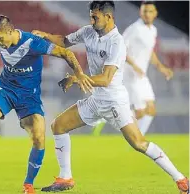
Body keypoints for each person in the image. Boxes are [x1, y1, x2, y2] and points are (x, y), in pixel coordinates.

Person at [32, 1, 189, 193]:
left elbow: (106, 79)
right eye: (91, 15)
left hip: (114, 101)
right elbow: (65, 41)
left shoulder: (117, 42)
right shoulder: (88, 31)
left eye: (95, 17)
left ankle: (181, 179)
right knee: (58, 125)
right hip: (95, 100)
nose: (92, 20)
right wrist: (45, 36)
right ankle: (66, 178)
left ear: (108, 17)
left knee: (139, 143)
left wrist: (77, 78)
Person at [0, 15, 93, 194]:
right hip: (6, 89)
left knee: (39, 138)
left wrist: (79, 74)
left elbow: (66, 53)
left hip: (29, 98)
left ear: (10, 31)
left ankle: (28, 185)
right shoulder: (2, 42)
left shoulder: (33, 43)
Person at [123, 1, 173, 135]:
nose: (147, 14)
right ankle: (112, 117)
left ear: (155, 13)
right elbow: (120, 50)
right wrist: (134, 66)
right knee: (140, 111)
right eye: (144, 11)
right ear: (140, 12)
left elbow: (150, 51)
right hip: (129, 76)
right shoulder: (134, 29)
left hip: (141, 76)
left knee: (151, 110)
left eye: (150, 11)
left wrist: (161, 68)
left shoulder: (153, 30)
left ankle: (138, 138)